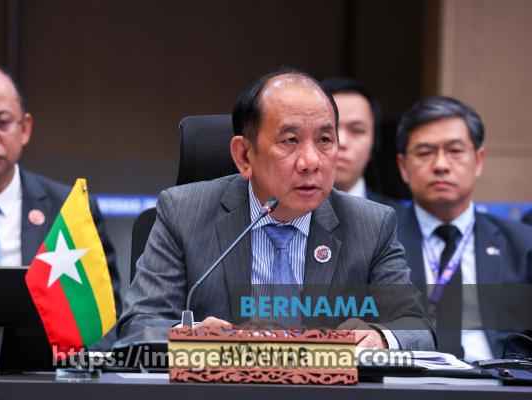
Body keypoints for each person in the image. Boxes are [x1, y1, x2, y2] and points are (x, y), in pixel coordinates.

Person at [117, 70, 434, 351]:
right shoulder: (183, 213)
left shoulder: (371, 224)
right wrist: (190, 335)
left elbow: (416, 326)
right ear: (244, 156)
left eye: (325, 140)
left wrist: (380, 337)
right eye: (290, 140)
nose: (311, 161)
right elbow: (139, 324)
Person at [0, 65, 121, 343]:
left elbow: (101, 324)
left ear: (25, 128)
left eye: (2, 121)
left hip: (47, 369)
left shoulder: (68, 210)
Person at [395, 96, 532, 361]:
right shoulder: (378, 242)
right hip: (408, 379)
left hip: (498, 380)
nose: (441, 165)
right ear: (403, 167)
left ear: (479, 160)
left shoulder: (522, 246)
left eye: (455, 151)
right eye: (425, 152)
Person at [320, 77, 400, 210]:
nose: (342, 141)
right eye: (329, 129)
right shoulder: (284, 216)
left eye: (357, 130)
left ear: (374, 145)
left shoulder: (398, 218)